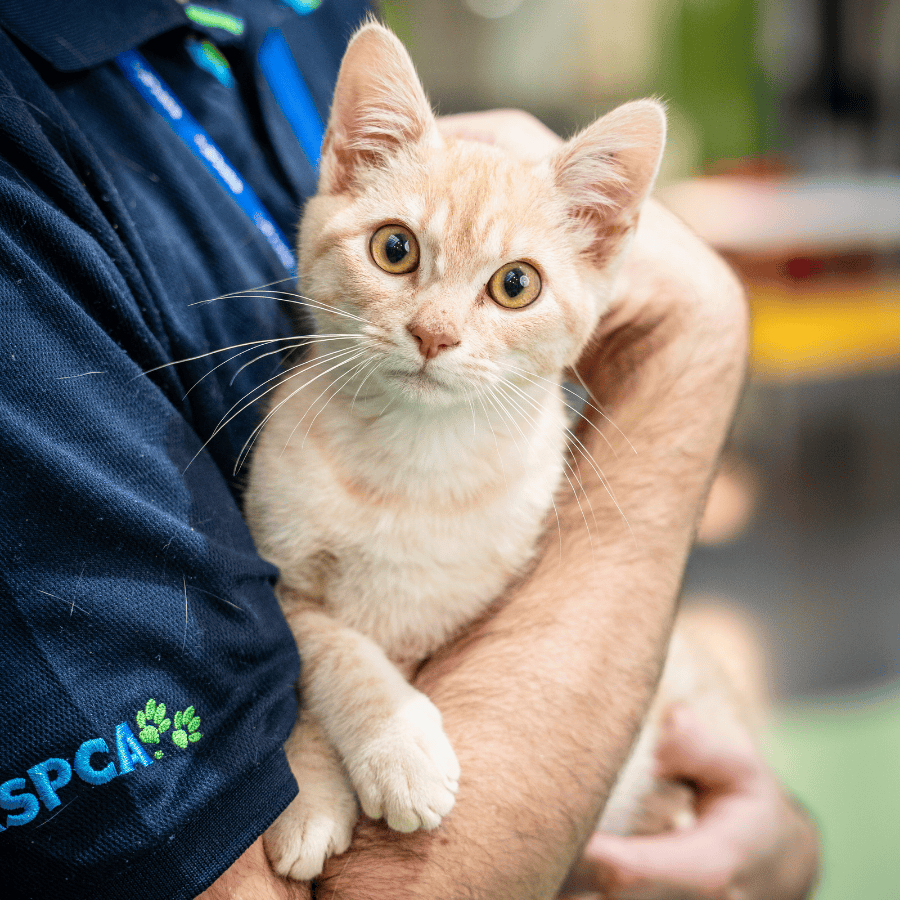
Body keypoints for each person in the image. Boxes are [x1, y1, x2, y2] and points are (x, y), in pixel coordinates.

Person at [0, 2, 817, 899]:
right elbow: (296, 610)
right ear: (345, 168)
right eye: (397, 251)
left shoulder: (314, 14)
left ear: (601, 241)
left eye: (512, 284)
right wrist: (692, 333)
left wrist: (787, 841)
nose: (436, 328)